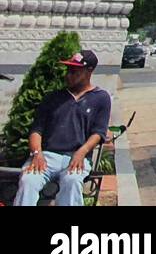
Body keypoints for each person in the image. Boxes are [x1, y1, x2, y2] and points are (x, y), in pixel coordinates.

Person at [15, 50, 112, 207]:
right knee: (28, 180)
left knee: (72, 181)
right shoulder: (53, 98)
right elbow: (36, 130)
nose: (69, 75)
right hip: (47, 156)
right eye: (68, 70)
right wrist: (36, 153)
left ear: (89, 71)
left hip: (76, 157)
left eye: (74, 71)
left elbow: (99, 133)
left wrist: (82, 152)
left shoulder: (101, 98)